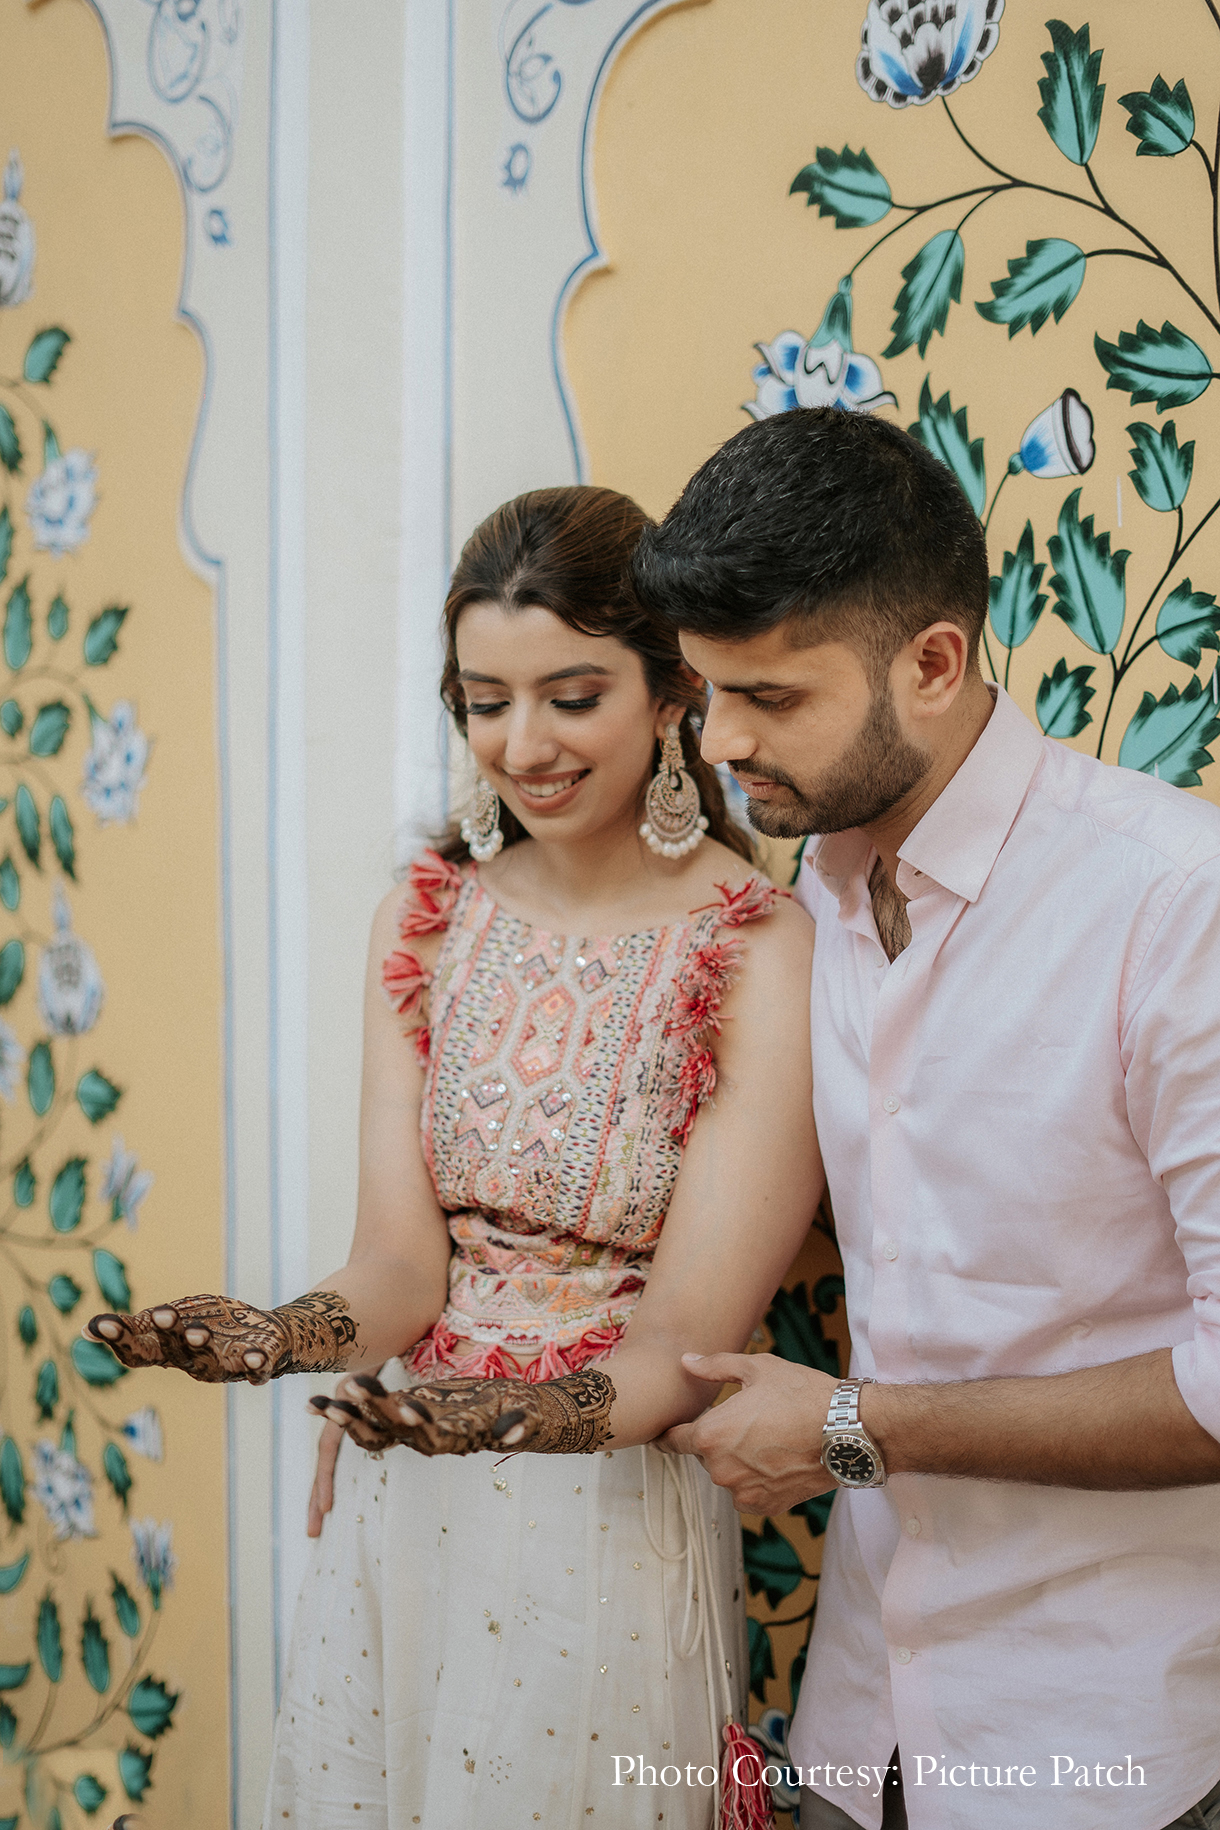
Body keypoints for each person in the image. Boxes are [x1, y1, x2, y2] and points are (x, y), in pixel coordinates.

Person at [85, 485, 821, 1830]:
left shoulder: (757, 948)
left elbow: (685, 1344)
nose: (522, 744)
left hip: (601, 1508)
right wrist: (279, 1332)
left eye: (571, 695)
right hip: (406, 1491)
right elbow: (398, 1267)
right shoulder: (424, 922)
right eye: (486, 700)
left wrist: (493, 1417)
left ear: (671, 695)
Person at [630, 407, 1220, 1830]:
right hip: (860, 1727)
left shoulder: (1174, 905)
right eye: (708, 691)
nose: (724, 744)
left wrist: (849, 1426)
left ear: (935, 661)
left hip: (1111, 1737)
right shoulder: (802, 909)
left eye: (772, 695)